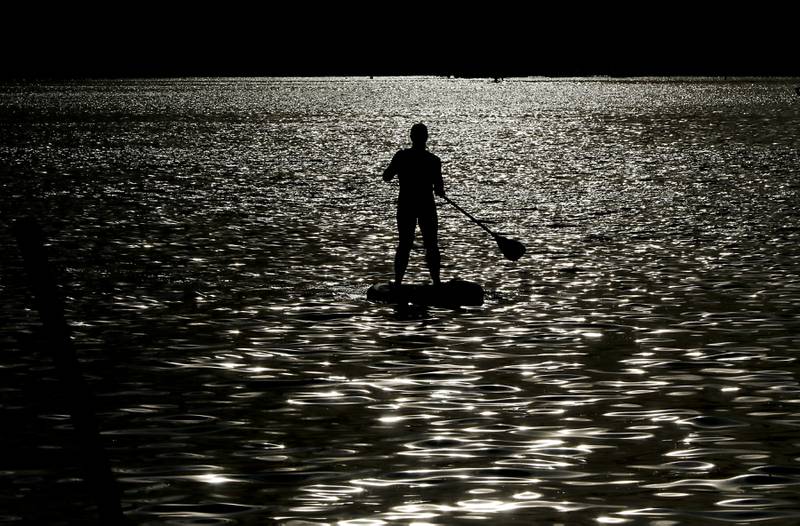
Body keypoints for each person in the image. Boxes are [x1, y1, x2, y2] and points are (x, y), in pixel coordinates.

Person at [382, 122, 445, 286]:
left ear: (411, 137)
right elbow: (439, 189)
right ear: (426, 138)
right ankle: (436, 282)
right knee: (431, 244)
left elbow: (386, 177)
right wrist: (439, 190)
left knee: (405, 244)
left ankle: (398, 283)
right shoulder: (433, 160)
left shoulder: (401, 156)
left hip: (406, 205)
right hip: (426, 206)